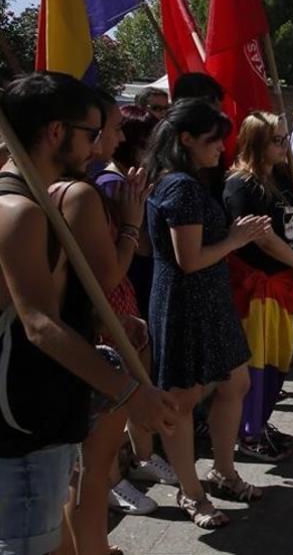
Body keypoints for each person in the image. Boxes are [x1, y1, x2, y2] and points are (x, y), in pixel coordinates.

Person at [0, 72, 179, 555]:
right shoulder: (18, 210)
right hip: (22, 421)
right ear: (56, 131)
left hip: (40, 412)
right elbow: (37, 323)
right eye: (91, 132)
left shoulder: (38, 199)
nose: (98, 144)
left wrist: (98, 320)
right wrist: (129, 394)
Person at [144, 99, 272, 528]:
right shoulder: (180, 186)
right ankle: (191, 491)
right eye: (212, 140)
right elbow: (189, 259)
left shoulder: (183, 181)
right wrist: (237, 239)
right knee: (180, 401)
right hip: (185, 303)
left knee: (236, 381)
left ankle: (222, 471)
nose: (221, 148)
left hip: (210, 299)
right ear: (186, 140)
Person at [53, 95, 176, 545]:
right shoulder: (85, 190)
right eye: (107, 128)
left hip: (99, 323)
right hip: (89, 334)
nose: (119, 137)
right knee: (83, 471)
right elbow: (106, 274)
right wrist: (130, 222)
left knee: (74, 473)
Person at [224, 112, 293, 461]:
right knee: (256, 364)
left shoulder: (282, 176)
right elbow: (263, 240)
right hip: (255, 288)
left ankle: (260, 421)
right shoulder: (240, 184)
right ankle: (247, 432)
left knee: (278, 360)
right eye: (277, 140)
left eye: (285, 138)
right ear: (256, 142)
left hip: (282, 285)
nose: (285, 146)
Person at [97, 104, 158, 318]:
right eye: (149, 146)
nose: (155, 154)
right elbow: (138, 245)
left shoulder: (130, 181)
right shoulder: (112, 185)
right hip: (132, 277)